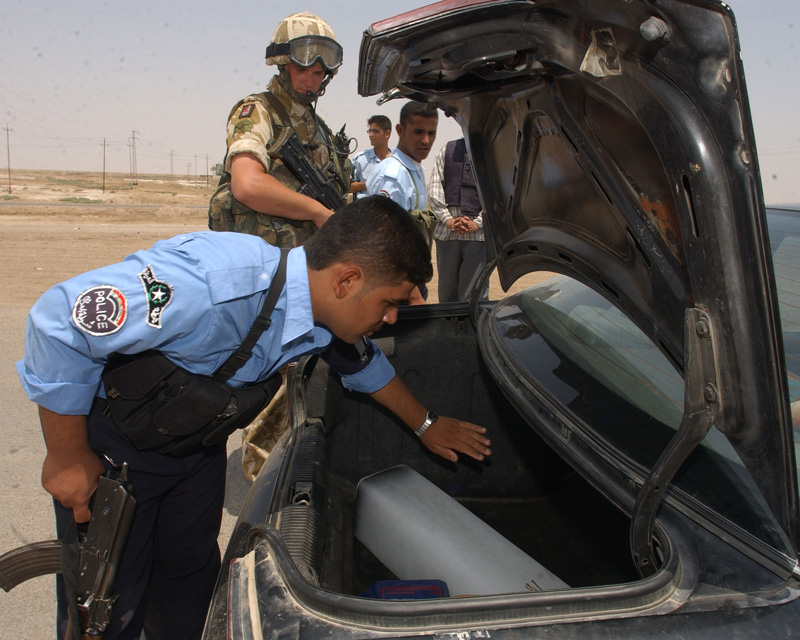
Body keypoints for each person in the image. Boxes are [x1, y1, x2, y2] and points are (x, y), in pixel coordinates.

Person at [16, 196, 492, 640]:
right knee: (108, 607)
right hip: (115, 454)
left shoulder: (324, 317)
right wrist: (66, 455)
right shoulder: (210, 284)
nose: (392, 317)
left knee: (189, 587)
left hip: (194, 454)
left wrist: (427, 426)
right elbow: (60, 322)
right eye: (389, 302)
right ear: (346, 281)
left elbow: (366, 368)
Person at [207, 11, 351, 247]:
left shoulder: (319, 127)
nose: (311, 81)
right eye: (302, 70)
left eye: (317, 73)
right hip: (261, 262)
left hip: (306, 262)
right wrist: (316, 212)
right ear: (282, 67)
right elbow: (247, 185)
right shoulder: (259, 111)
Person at [367, 101, 439, 302]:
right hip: (400, 287)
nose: (426, 140)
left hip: (411, 281)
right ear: (400, 130)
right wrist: (414, 296)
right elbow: (387, 243)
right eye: (418, 132)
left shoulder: (413, 169)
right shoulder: (394, 175)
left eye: (431, 133)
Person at [428, 138, 488, 302]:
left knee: (475, 298)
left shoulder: (492, 151)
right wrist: (448, 219)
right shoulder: (447, 149)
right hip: (448, 235)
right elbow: (435, 188)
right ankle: (448, 328)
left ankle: (472, 328)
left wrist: (477, 223)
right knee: (447, 296)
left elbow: (497, 193)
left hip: (478, 236)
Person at [349, 115, 392, 201]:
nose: (371, 135)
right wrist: (369, 183)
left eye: (375, 131)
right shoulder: (360, 160)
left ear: (387, 133)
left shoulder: (397, 162)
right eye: (370, 131)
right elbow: (348, 187)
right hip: (365, 211)